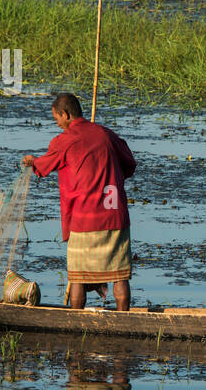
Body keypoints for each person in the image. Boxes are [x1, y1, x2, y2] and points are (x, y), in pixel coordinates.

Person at [21, 92, 135, 311]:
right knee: (119, 274)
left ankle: (76, 318)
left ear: (65, 114)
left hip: (85, 220)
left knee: (78, 276)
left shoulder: (65, 140)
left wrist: (32, 161)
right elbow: (129, 163)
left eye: (57, 119)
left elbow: (45, 165)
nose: (58, 124)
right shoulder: (106, 134)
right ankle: (123, 318)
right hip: (115, 215)